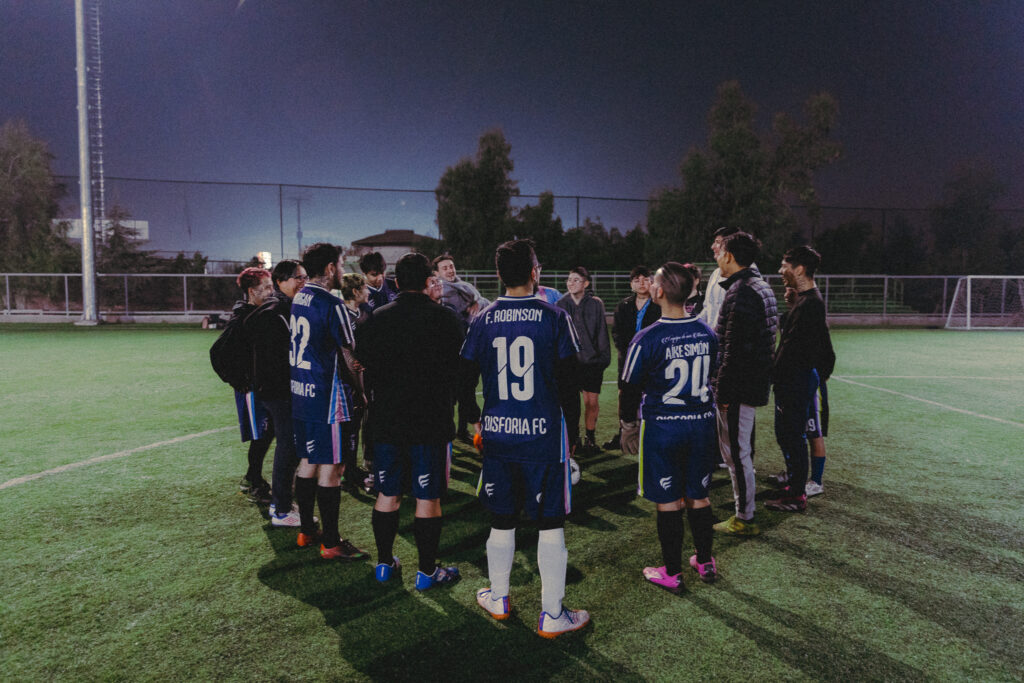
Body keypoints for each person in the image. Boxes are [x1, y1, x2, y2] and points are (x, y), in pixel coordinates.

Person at [463, 239, 590, 639]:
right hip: (543, 435)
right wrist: (568, 432)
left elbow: (463, 382)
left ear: (499, 274)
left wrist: (475, 422)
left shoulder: (482, 319)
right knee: (550, 521)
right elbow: (570, 384)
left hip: (499, 435)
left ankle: (499, 596)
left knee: (502, 516)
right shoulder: (554, 316)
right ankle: (552, 614)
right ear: (535, 271)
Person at [354, 252, 468, 591]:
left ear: (398, 282)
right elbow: (458, 370)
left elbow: (363, 365)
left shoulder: (377, 317)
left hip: (388, 420)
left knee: (388, 494)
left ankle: (385, 564)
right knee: (426, 498)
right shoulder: (446, 319)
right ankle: (427, 571)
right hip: (430, 421)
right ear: (428, 280)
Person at [621, 262, 719, 590]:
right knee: (699, 495)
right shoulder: (707, 332)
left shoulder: (647, 337)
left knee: (668, 499)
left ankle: (672, 572)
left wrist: (628, 425)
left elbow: (630, 387)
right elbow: (713, 373)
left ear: (659, 292)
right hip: (702, 426)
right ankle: (704, 560)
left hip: (664, 428)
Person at [289, 242, 368, 560]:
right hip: (326, 396)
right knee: (332, 466)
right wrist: (360, 392)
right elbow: (348, 356)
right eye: (340, 263)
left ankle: (307, 530)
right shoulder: (331, 304)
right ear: (330, 268)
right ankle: (332, 543)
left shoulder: (300, 296)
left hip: (301, 393)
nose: (342, 268)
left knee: (308, 461)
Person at [710, 232, 778, 536]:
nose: (716, 256)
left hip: (739, 387)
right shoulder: (758, 285)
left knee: (737, 454)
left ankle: (744, 517)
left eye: (719, 251)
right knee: (739, 452)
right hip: (750, 384)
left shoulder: (742, 292)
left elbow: (734, 350)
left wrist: (723, 392)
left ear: (730, 255)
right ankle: (744, 512)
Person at [765, 246, 836, 512]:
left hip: (795, 381)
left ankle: (796, 495)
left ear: (799, 269)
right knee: (787, 435)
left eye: (784, 266)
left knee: (792, 436)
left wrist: (774, 375)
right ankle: (794, 484)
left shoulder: (812, 303)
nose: (781, 271)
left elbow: (795, 348)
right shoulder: (805, 301)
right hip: (794, 380)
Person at [246, 259, 308, 525]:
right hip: (278, 391)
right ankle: (281, 508)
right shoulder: (274, 312)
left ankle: (282, 502)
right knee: (289, 445)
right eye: (298, 278)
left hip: (278, 389)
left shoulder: (284, 308)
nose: (303, 283)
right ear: (281, 281)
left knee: (289, 445)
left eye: (305, 277)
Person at [769, 286, 830, 498]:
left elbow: (823, 349)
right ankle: (795, 475)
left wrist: (821, 375)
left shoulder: (811, 315)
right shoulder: (789, 316)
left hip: (809, 382)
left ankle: (816, 480)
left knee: (813, 431)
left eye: (790, 290)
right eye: (785, 290)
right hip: (793, 381)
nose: (786, 293)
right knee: (791, 433)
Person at [433, 253, 488, 441]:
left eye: (451, 266)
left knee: (469, 388)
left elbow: (484, 303)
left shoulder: (467, 287)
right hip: (451, 350)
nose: (450, 270)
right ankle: (451, 431)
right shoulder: (440, 292)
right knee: (455, 393)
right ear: (437, 273)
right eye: (445, 268)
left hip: (471, 346)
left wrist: (477, 302)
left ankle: (462, 430)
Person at [556, 267, 611, 456]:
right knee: (571, 404)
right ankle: (574, 439)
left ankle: (590, 438)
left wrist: (602, 358)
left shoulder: (596, 304)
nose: (571, 283)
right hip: (570, 363)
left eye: (576, 280)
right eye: (569, 279)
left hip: (592, 362)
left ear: (586, 283)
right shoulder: (561, 304)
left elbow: (602, 333)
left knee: (591, 402)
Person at [231, 267, 274, 503]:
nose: (270, 292)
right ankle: (254, 482)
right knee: (261, 434)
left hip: (264, 386)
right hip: (251, 388)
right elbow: (218, 354)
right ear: (251, 291)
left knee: (269, 433)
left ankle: (252, 477)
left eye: (271, 287)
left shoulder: (262, 312)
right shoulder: (242, 318)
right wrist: (239, 380)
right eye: (265, 288)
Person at [607, 267, 661, 451]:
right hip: (628, 359)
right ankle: (624, 434)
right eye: (637, 280)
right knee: (626, 396)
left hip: (651, 360)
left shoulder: (658, 305)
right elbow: (616, 333)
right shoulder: (624, 305)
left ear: (652, 282)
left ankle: (650, 436)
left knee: (650, 396)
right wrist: (628, 352)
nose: (641, 283)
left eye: (645, 279)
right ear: (631, 284)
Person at [339, 272, 372, 492]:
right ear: (355, 292)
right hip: (347, 381)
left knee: (357, 424)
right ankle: (347, 473)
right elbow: (345, 352)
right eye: (365, 288)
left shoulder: (364, 313)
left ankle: (351, 469)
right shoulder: (342, 315)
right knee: (349, 427)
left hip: (362, 377)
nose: (368, 292)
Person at [698, 226, 740, 331]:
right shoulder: (715, 274)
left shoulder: (748, 275)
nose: (712, 247)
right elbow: (707, 308)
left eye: (717, 242)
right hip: (715, 340)